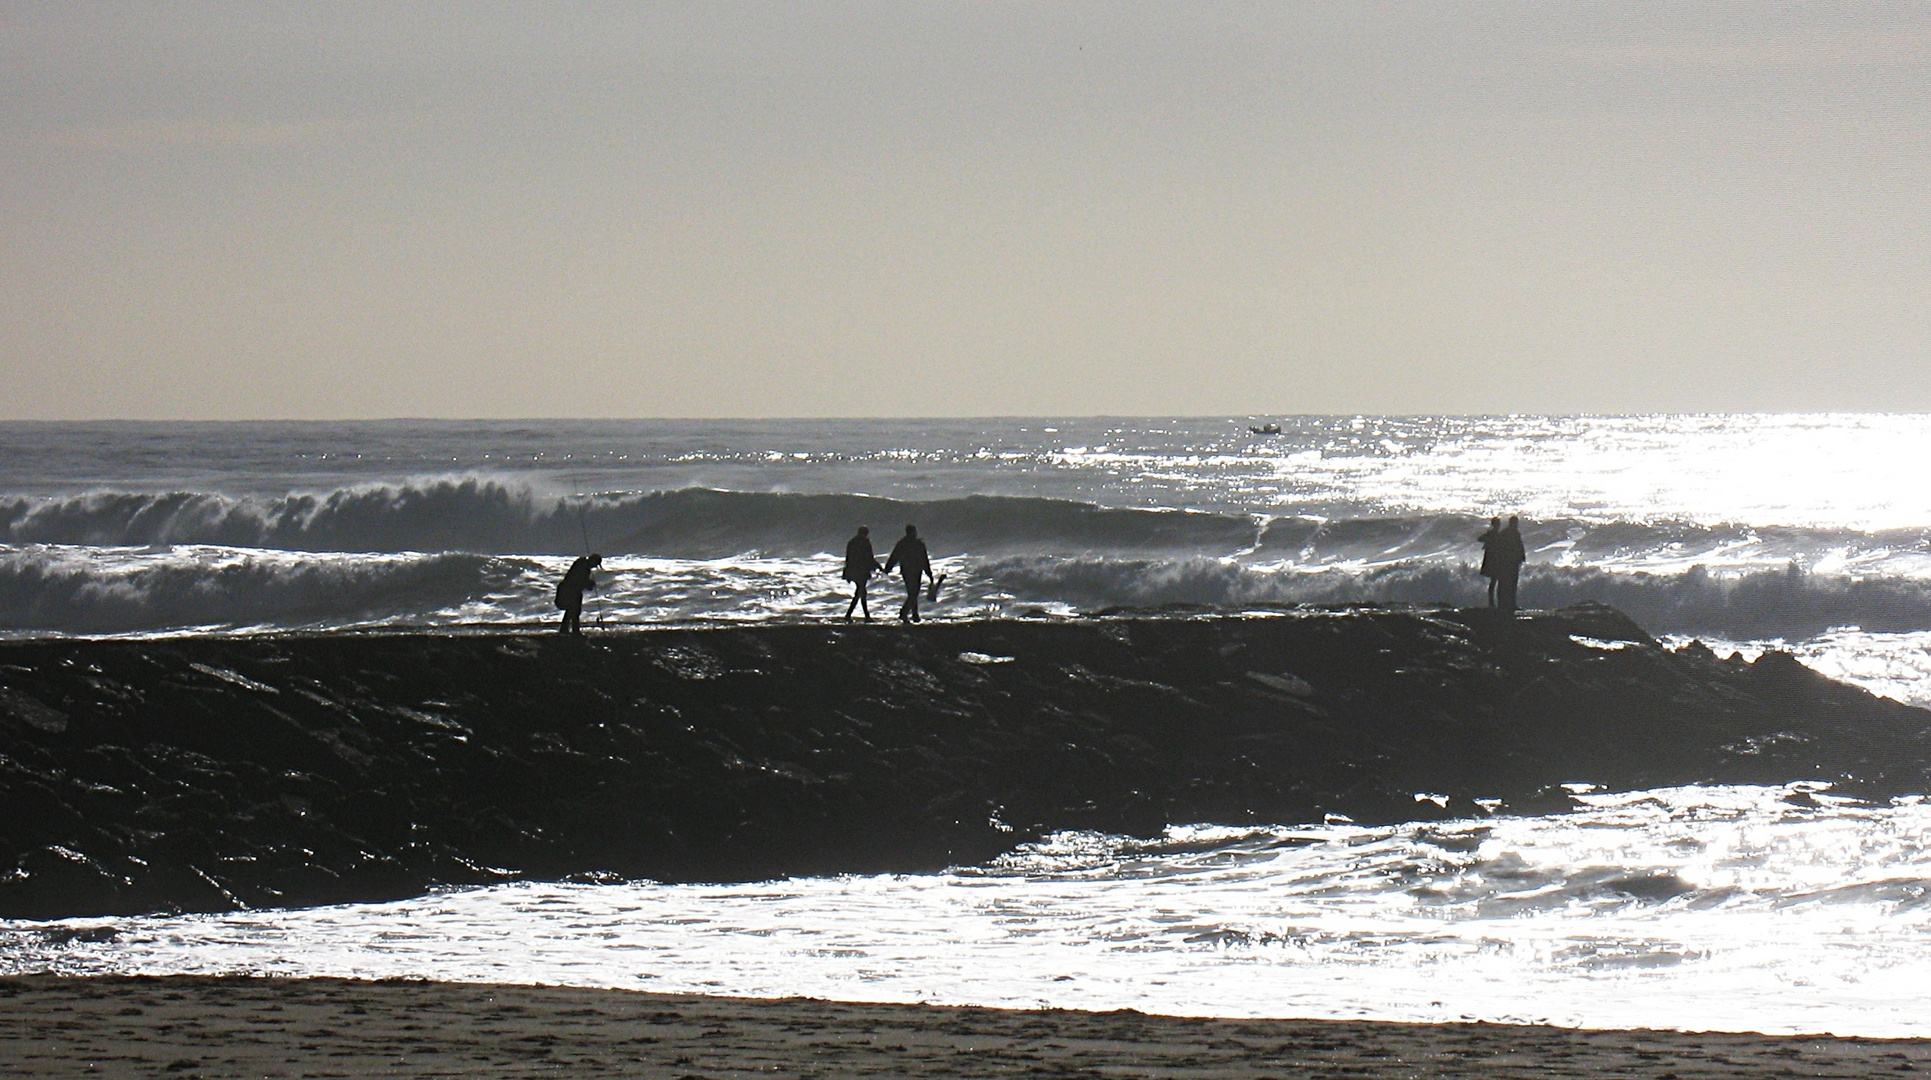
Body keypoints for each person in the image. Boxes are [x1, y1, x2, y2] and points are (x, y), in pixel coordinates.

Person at [882, 524, 935, 624]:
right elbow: (924, 560)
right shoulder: (919, 544)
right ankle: (905, 613)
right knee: (914, 593)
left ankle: (914, 615)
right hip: (916, 570)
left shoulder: (902, 543)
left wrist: (888, 568)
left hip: (906, 571)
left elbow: (894, 556)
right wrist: (928, 573)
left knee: (912, 592)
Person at [841, 526, 884, 622]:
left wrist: (847, 572)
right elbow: (869, 557)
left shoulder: (851, 542)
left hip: (853, 570)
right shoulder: (865, 542)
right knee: (861, 592)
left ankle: (856, 615)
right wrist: (879, 566)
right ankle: (859, 615)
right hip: (862, 571)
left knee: (860, 592)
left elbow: (848, 559)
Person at [555, 553, 601, 635]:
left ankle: (566, 630)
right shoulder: (582, 566)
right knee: (573, 610)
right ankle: (573, 631)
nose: (594, 566)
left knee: (572, 610)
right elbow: (578, 580)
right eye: (595, 564)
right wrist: (589, 584)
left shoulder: (582, 564)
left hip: (572, 590)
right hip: (569, 590)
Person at [1496, 516, 1527, 613]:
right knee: (1509, 583)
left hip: (1508, 562)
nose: (1516, 525)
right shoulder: (1512, 533)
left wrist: (1522, 556)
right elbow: (1519, 546)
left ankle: (1505, 604)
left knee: (1506, 583)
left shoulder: (1504, 533)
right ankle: (1507, 604)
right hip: (1509, 562)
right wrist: (1521, 556)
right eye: (1515, 523)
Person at [1475, 516, 1502, 608]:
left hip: (1493, 559)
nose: (1499, 525)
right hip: (1494, 560)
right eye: (1498, 524)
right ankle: (1492, 603)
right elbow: (1479, 539)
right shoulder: (1495, 534)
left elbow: (1480, 539)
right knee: (1494, 580)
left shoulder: (1493, 534)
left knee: (1494, 581)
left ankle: (1492, 602)